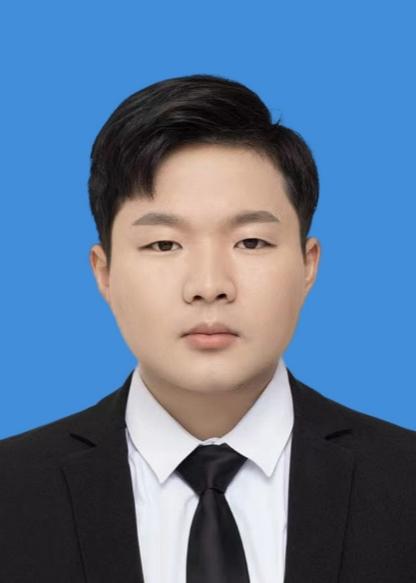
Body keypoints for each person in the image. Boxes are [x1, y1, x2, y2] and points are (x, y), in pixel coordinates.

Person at [1, 74, 415, 583]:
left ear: (308, 265)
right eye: (164, 245)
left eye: (251, 242)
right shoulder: (12, 490)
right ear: (103, 272)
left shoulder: (405, 480)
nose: (209, 286)